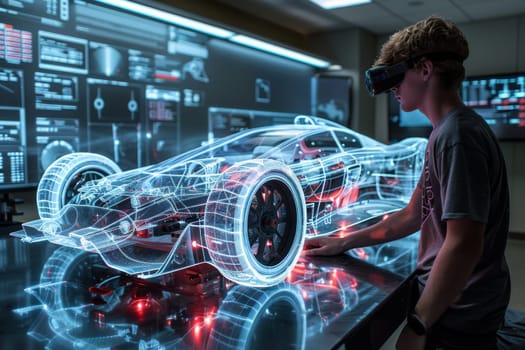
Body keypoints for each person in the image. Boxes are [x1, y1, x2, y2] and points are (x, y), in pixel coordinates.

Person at [304, 16, 511, 350]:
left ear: (425, 70)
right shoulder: (444, 132)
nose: (393, 89)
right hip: (456, 300)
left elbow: (464, 244)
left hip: (461, 310)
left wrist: (418, 322)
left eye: (397, 78)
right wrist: (344, 242)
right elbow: (412, 215)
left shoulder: (458, 135)